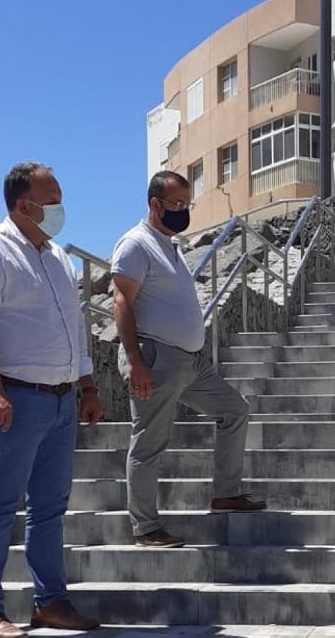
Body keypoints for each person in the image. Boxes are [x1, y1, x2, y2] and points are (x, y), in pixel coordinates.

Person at [0, 162, 102, 638]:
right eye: (52, 199)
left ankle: (50, 602)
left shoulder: (56, 256)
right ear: (23, 205)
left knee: (50, 507)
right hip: (14, 398)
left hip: (59, 401)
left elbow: (75, 327)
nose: (60, 208)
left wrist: (89, 387)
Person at [111, 170, 266, 548]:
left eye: (186, 204)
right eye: (176, 204)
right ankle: (145, 528)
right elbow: (121, 301)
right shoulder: (135, 244)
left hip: (192, 362)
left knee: (235, 409)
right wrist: (135, 360)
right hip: (155, 356)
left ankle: (225, 493)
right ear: (154, 204)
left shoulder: (169, 246)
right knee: (150, 441)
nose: (183, 211)